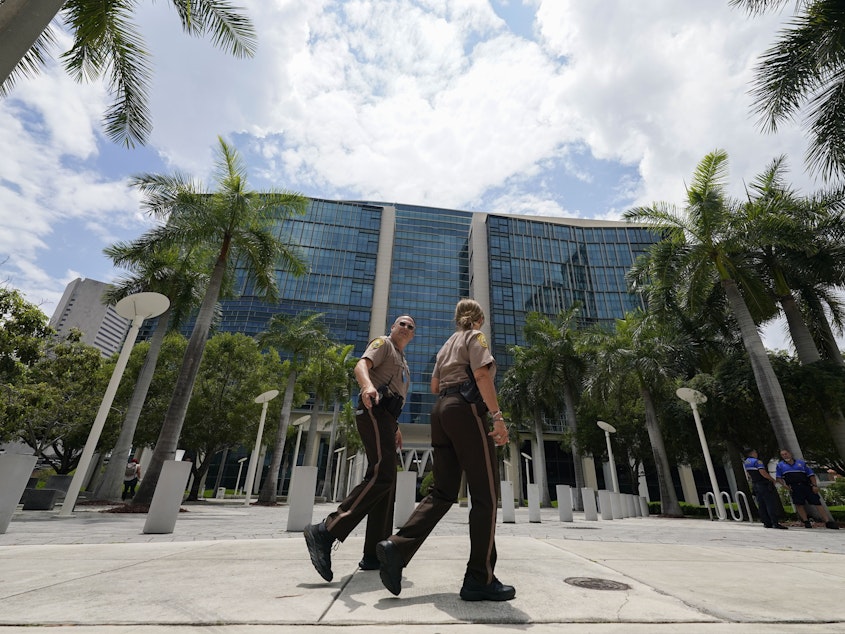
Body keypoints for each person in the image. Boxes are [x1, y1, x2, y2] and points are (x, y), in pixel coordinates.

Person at [376, 298, 514, 602]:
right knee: (486, 495)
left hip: (441, 411)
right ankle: (480, 578)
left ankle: (397, 546)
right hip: (466, 409)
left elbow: (436, 386)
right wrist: (497, 417)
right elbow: (481, 375)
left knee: (443, 491)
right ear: (478, 320)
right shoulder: (475, 338)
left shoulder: (446, 345)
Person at [303, 315, 415, 581]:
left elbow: (396, 395)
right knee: (382, 473)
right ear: (392, 327)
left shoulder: (403, 360)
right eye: (402, 323)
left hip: (387, 418)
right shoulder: (383, 344)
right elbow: (361, 365)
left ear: (412, 335)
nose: (406, 328)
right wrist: (367, 386)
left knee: (387, 482)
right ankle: (326, 531)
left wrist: (396, 427)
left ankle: (374, 554)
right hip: (373, 409)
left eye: (411, 327)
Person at [776, 449, 839, 530]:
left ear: (790, 453)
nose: (785, 456)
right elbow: (778, 477)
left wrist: (814, 485)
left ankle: (828, 522)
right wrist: (784, 485)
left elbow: (811, 475)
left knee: (817, 503)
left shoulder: (801, 463)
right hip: (794, 487)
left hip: (806, 485)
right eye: (783, 455)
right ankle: (806, 521)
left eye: (786, 454)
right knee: (799, 504)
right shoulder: (780, 465)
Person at [742, 447, 787, 529]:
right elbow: (763, 472)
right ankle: (775, 522)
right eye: (755, 452)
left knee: (761, 504)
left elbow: (748, 474)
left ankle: (766, 522)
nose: (756, 453)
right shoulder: (757, 461)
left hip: (755, 484)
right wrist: (772, 479)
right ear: (752, 453)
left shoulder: (746, 462)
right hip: (763, 484)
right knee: (769, 503)